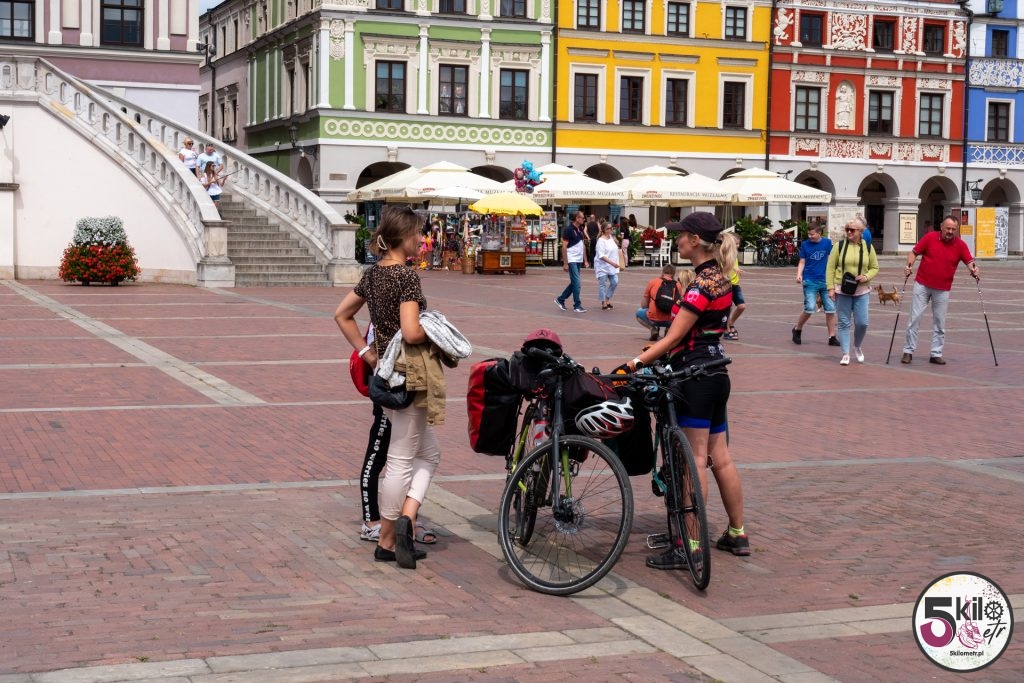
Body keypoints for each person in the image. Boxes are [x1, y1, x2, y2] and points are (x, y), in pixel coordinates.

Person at [624, 212, 749, 568]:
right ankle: (737, 532)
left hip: (694, 378)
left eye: (681, 235)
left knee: (694, 461)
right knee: (720, 457)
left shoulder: (699, 286)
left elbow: (674, 337)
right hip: (717, 374)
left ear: (695, 241)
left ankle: (690, 544)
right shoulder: (721, 280)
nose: (676, 239)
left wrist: (634, 363)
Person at [334, 205, 439, 569]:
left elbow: (342, 314)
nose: (421, 239)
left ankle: (405, 519)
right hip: (409, 375)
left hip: (386, 375)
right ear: (404, 237)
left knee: (428, 453)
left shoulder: (374, 273)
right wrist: (435, 330)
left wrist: (368, 354)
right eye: (418, 233)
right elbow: (411, 331)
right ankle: (388, 539)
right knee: (401, 459)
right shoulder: (405, 277)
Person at [901, 215, 980, 365]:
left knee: (939, 322)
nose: (950, 232)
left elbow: (969, 261)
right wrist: (908, 266)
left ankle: (936, 353)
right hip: (922, 284)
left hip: (943, 288)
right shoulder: (930, 237)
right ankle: (908, 351)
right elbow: (914, 253)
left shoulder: (960, 245)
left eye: (953, 229)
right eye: (948, 228)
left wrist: (974, 270)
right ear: (941, 227)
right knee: (914, 319)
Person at [826, 219, 879, 365]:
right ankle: (845, 353)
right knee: (844, 322)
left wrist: (866, 276)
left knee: (862, 323)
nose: (849, 232)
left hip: (862, 290)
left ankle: (857, 345)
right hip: (842, 289)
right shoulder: (839, 246)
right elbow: (830, 268)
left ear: (860, 232)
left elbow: (875, 267)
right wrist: (830, 288)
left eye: (852, 230)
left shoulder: (868, 247)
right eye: (847, 229)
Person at [792, 223, 839, 346]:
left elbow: (830, 259)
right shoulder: (805, 245)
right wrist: (799, 274)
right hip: (810, 280)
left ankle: (832, 337)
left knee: (830, 309)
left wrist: (833, 276)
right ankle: (797, 329)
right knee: (809, 307)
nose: (810, 236)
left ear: (819, 233)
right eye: (809, 234)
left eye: (812, 234)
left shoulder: (827, 243)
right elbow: (802, 261)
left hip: (826, 280)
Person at [554, 211, 589, 313]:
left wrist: (585, 260)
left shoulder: (580, 229)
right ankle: (577, 305)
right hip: (572, 259)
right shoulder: (568, 230)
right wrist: (565, 263)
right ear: (577, 218)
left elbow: (582, 245)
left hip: (578, 259)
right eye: (582, 218)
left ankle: (561, 299)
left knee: (574, 282)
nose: (584, 219)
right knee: (577, 283)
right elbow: (564, 247)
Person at [636, 264, 680, 341]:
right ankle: (668, 329)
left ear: (662, 272)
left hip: (653, 317)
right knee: (677, 311)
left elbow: (644, 305)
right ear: (674, 273)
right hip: (670, 319)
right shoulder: (677, 285)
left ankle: (653, 328)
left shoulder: (653, 282)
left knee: (638, 313)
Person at [722, 233, 745, 340]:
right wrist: (734, 269)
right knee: (728, 307)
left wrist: (737, 270)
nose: (737, 245)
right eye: (735, 243)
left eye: (738, 243)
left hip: (735, 284)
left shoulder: (735, 254)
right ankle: (726, 329)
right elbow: (725, 265)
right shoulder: (724, 253)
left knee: (741, 306)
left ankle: (731, 323)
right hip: (726, 284)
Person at [594, 220, 620, 310]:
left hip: (612, 266)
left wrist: (616, 242)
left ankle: (607, 298)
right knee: (602, 284)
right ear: (604, 230)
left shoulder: (611, 238)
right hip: (603, 265)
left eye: (611, 228)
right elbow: (601, 256)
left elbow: (615, 248)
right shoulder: (601, 241)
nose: (610, 230)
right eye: (608, 228)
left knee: (614, 282)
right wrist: (613, 263)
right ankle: (604, 302)